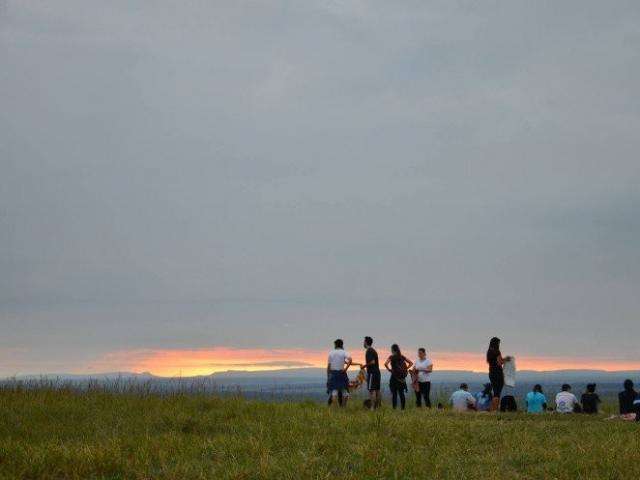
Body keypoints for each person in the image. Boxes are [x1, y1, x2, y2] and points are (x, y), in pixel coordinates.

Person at [384, 344, 413, 410]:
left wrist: (389, 370)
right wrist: (406, 369)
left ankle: (394, 408)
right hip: (401, 379)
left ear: (392, 350)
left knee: (394, 394)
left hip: (394, 377)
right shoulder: (402, 356)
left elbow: (385, 364)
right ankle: (403, 409)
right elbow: (411, 363)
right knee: (401, 393)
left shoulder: (391, 357)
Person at [327, 339, 352, 407]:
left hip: (333, 373)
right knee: (345, 393)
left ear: (335, 345)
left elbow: (328, 366)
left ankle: (335, 409)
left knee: (334, 392)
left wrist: (328, 377)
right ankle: (343, 408)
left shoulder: (331, 353)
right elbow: (350, 360)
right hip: (342, 373)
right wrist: (345, 369)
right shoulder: (344, 352)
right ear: (342, 345)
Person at [486, 337, 504, 411]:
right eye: (499, 343)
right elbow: (500, 362)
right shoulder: (497, 351)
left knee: (495, 391)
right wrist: (506, 360)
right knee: (497, 392)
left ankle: (493, 409)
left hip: (491, 372)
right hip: (498, 373)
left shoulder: (489, 351)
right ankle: (495, 409)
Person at [363, 336, 381, 410]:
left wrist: (364, 365)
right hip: (377, 372)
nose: (363, 343)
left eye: (364, 342)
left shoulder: (369, 351)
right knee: (377, 390)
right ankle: (378, 407)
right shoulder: (373, 350)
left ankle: (372, 408)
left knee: (371, 390)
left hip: (372, 373)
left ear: (366, 342)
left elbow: (372, 362)